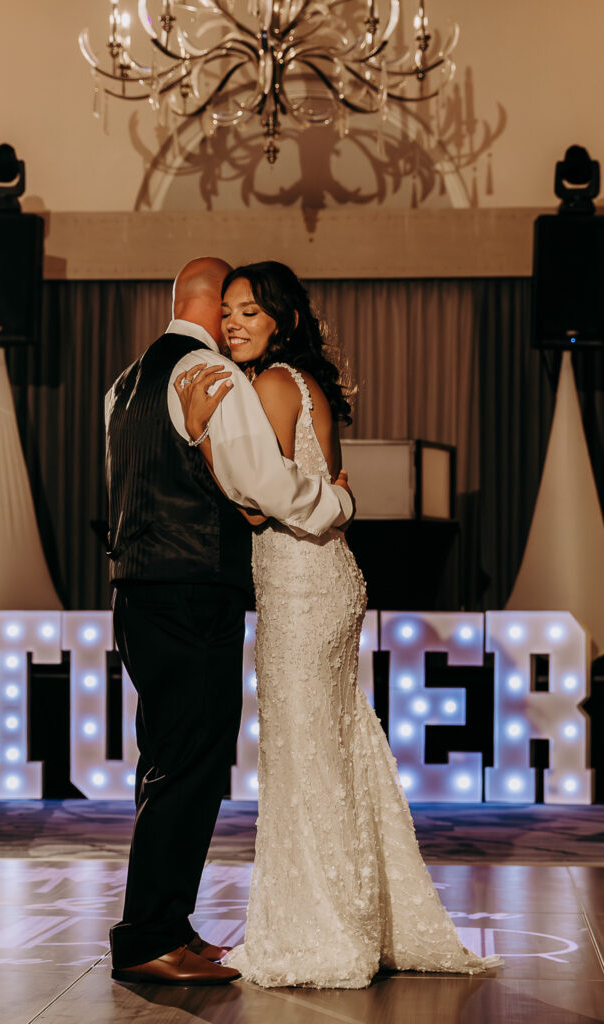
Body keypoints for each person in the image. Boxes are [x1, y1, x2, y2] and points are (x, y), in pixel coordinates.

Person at [175, 260, 502, 989]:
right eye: (226, 311)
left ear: (282, 321)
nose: (231, 323)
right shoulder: (304, 385)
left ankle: (328, 930)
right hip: (324, 578)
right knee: (334, 745)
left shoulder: (265, 385)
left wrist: (200, 439)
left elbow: (257, 501)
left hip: (298, 582)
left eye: (249, 311)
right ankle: (361, 916)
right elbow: (312, 488)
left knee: (303, 757)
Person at [105, 257, 354, 986]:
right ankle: (150, 936)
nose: (236, 322)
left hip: (135, 593)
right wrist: (337, 502)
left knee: (165, 762)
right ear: (213, 308)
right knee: (192, 766)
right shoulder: (208, 375)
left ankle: (167, 924)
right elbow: (264, 486)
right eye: (233, 308)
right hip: (192, 593)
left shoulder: (124, 382)